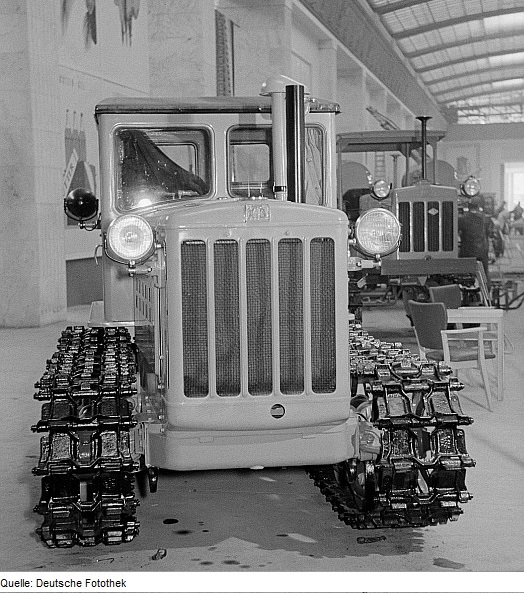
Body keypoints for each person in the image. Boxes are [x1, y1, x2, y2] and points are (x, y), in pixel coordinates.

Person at [458, 196, 491, 284]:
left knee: (462, 275)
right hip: (483, 252)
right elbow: (487, 233)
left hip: (468, 253)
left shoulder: (463, 218)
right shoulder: (484, 218)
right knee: (484, 275)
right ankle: (487, 291)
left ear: (468, 206)